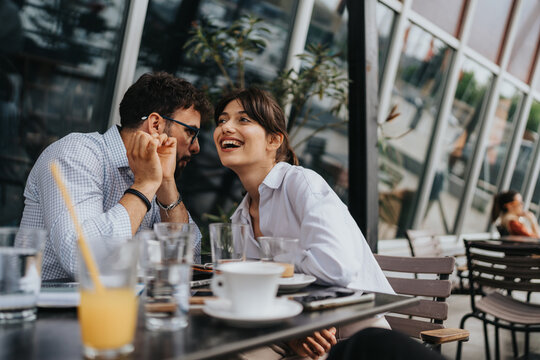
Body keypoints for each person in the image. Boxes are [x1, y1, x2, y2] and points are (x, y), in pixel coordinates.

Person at [213, 88, 394, 359]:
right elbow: (256, 293)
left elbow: (336, 268)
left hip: (354, 329)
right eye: (222, 121)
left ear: (274, 140)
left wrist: (272, 264)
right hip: (294, 324)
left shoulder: (300, 183)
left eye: (243, 120)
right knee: (226, 349)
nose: (226, 127)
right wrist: (292, 326)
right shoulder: (240, 217)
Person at [19, 72, 212, 281]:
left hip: (119, 305)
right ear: (155, 124)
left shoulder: (154, 174)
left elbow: (188, 260)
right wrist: (144, 186)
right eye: (191, 132)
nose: (196, 147)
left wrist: (166, 183)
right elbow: (82, 260)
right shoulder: (76, 153)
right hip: (45, 308)